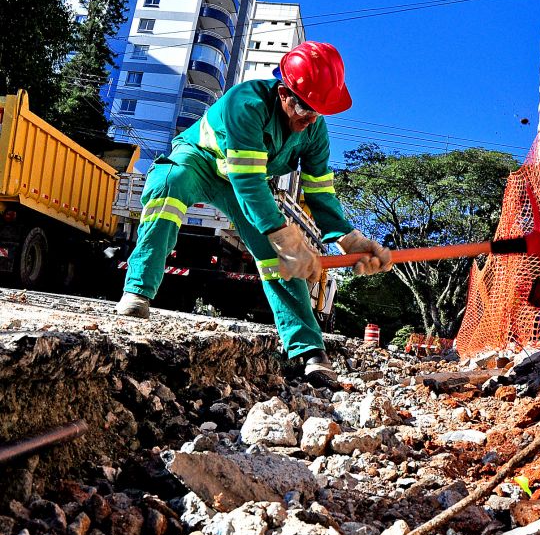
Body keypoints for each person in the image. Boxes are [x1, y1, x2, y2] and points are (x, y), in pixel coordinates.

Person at [114, 41, 391, 387]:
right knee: (169, 185)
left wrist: (350, 240)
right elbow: (247, 179)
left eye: (319, 111)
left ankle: (310, 352)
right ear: (283, 92)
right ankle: (138, 290)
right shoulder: (245, 104)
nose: (310, 118)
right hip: (200, 161)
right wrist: (283, 234)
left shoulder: (314, 131)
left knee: (276, 257)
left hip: (242, 183)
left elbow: (319, 191)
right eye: (305, 107)